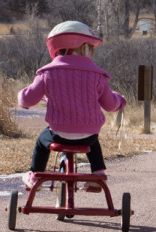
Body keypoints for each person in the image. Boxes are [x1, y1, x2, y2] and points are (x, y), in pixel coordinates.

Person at [18, 21, 126, 192]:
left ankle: (35, 174)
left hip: (59, 135)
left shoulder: (47, 73)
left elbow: (28, 100)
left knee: (41, 141)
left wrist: (22, 97)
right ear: (83, 48)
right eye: (91, 48)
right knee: (93, 138)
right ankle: (97, 175)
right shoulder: (97, 75)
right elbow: (110, 104)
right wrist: (120, 100)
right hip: (88, 136)